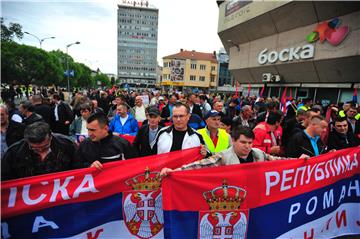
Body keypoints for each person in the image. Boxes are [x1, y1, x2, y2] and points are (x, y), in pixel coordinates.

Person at [160, 126, 302, 175]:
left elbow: (279, 162)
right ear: (233, 141)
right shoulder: (223, 157)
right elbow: (201, 164)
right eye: (243, 142)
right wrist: (176, 171)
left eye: (250, 143)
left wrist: (299, 161)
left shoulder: (259, 154)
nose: (247, 146)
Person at [1, 122, 77, 180]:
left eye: (45, 146)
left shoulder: (67, 145)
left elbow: (78, 166)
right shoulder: (14, 152)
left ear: (51, 137)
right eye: (34, 148)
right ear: (27, 141)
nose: (40, 150)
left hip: (61, 190)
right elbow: (5, 176)